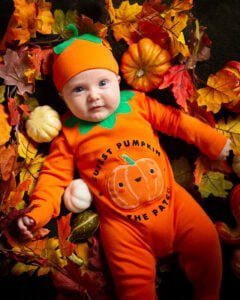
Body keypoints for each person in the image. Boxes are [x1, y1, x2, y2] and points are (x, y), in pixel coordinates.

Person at [17, 29, 231, 300]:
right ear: (63, 98)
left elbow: (176, 122)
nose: (94, 96)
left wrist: (212, 141)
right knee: (131, 287)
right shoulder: (69, 133)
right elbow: (53, 177)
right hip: (123, 229)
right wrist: (37, 213)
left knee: (206, 243)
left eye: (102, 84)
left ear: (118, 81)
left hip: (174, 204)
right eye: (79, 89)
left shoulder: (136, 104)